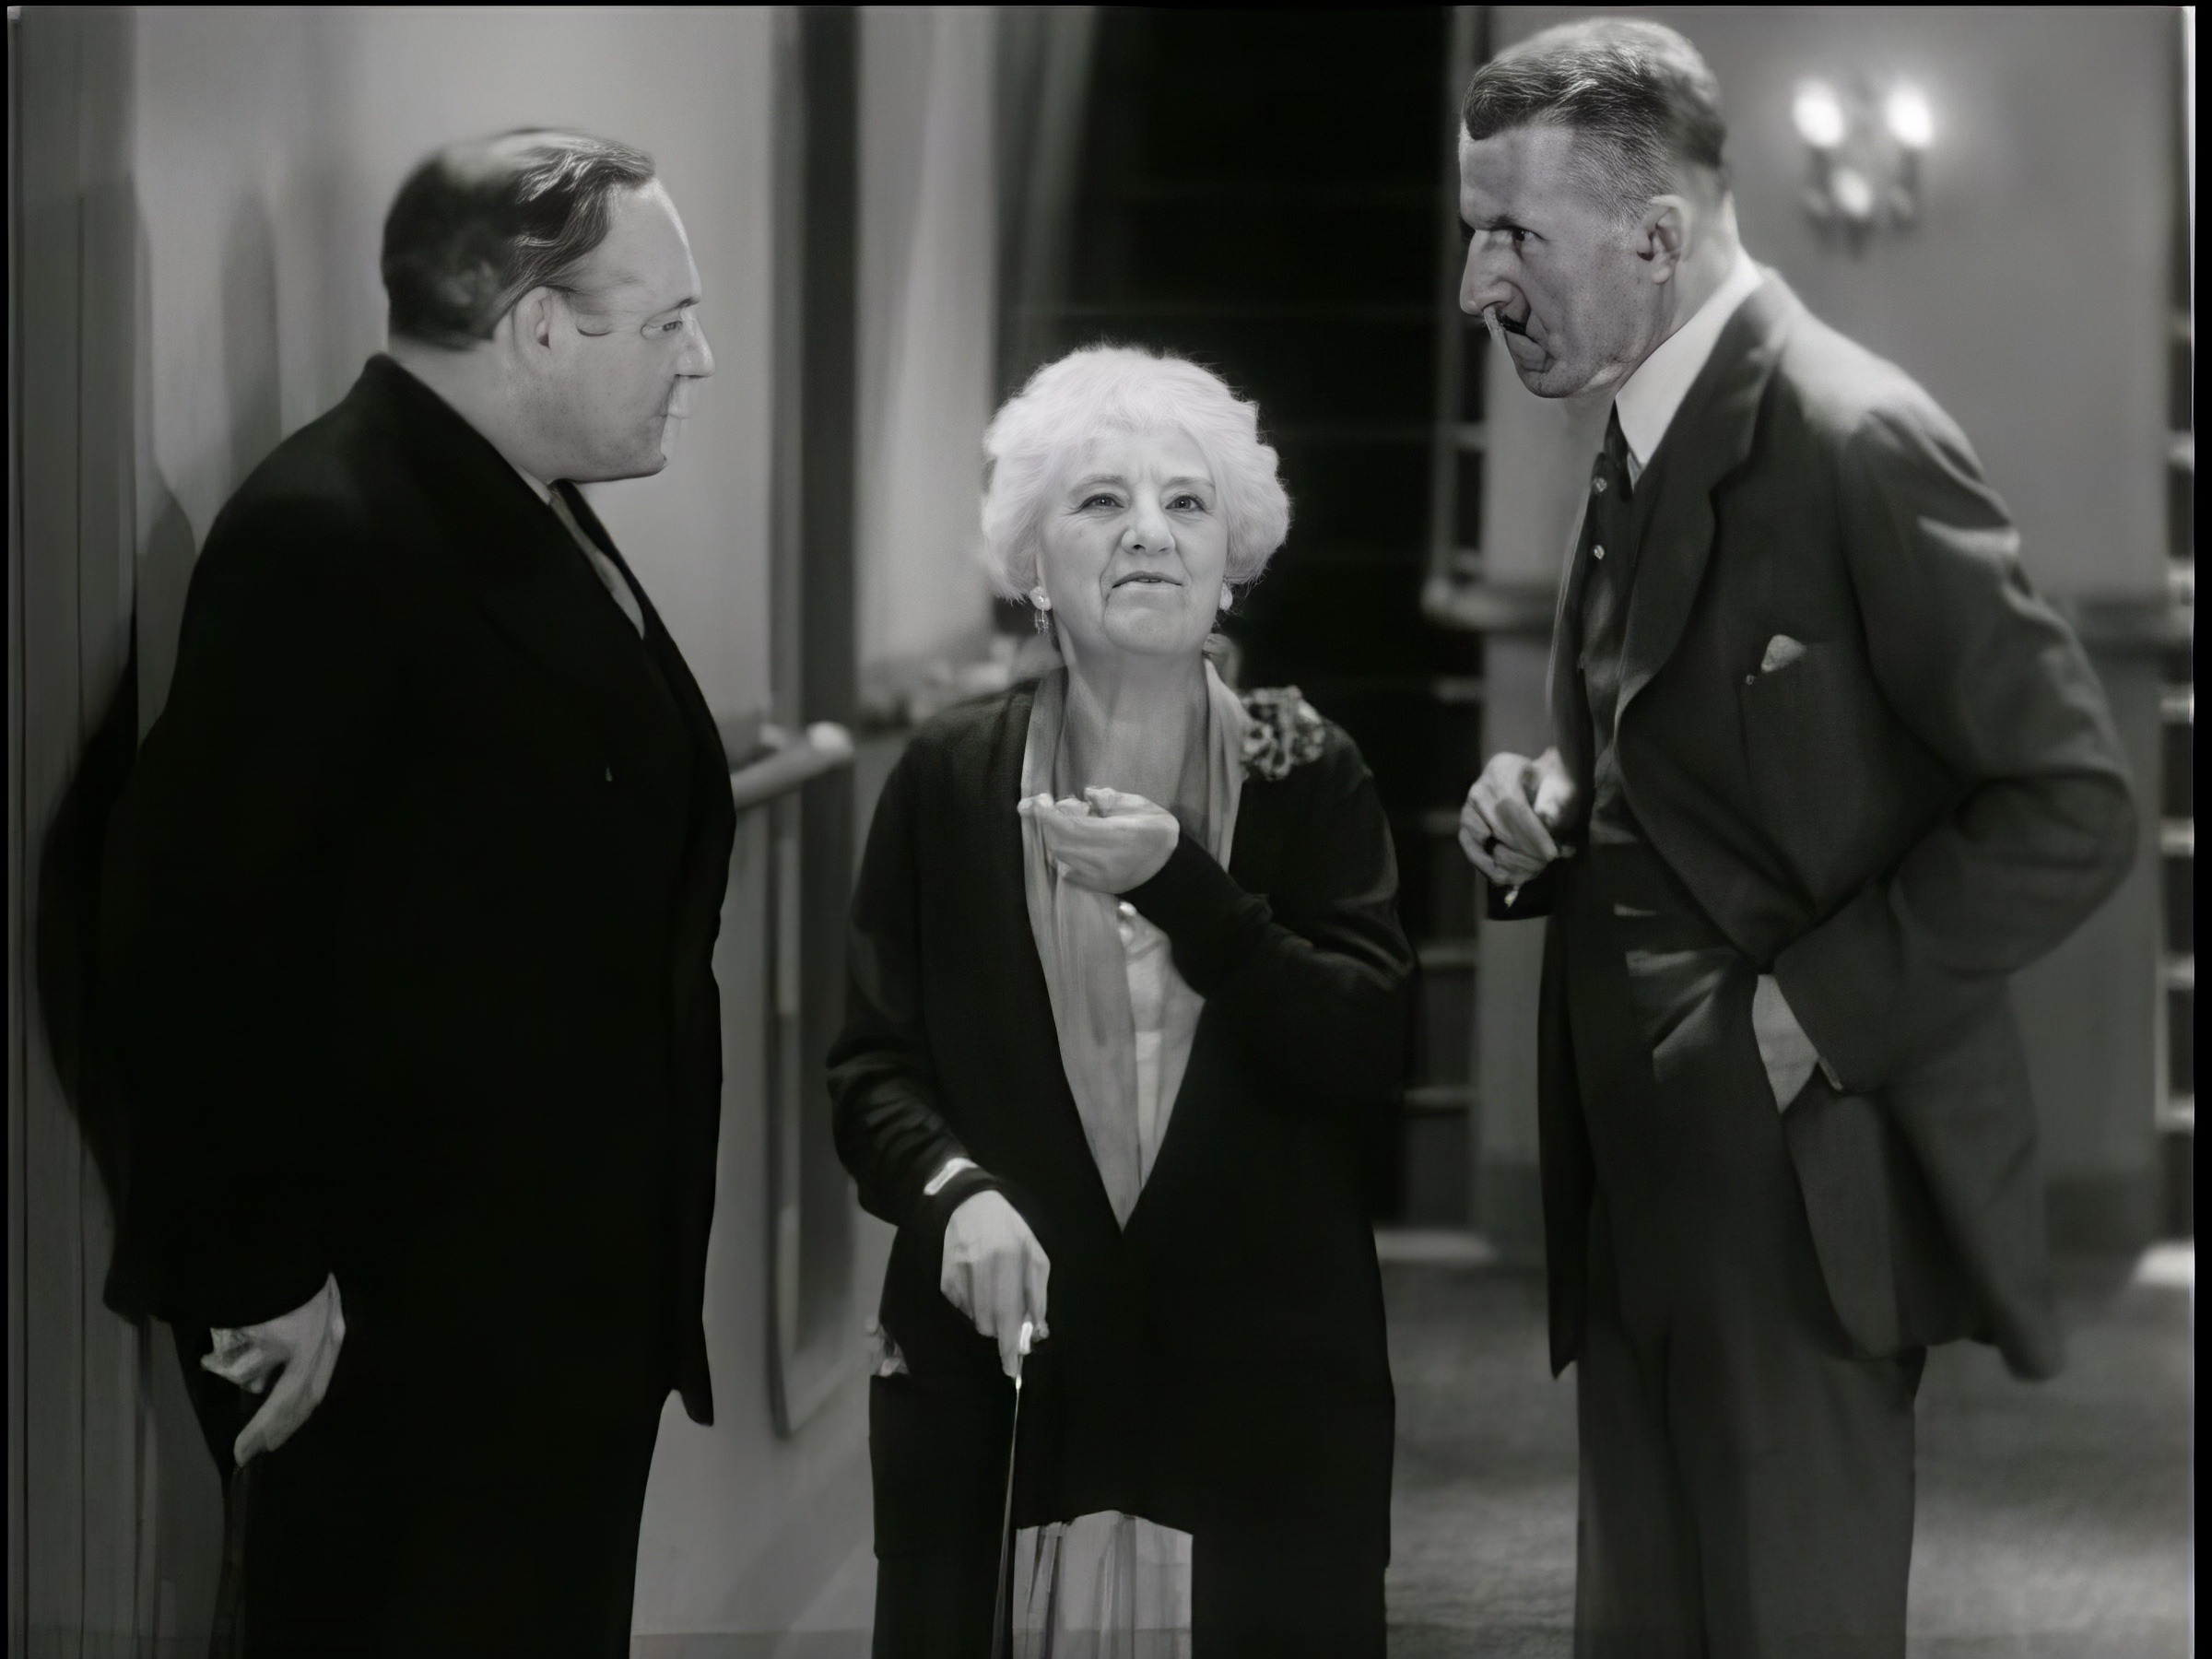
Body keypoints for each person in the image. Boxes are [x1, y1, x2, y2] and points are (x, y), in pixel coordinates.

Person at [1451, 20, 2138, 1657]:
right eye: (1475, 234)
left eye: (1515, 236)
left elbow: (2071, 802)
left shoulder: (1855, 437)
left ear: (1656, 236)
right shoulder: (1628, 429)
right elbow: (1684, 766)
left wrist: (1806, 1015)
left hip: (1795, 1194)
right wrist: (1552, 809)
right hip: (1636, 1191)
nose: (1480, 286)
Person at [97, 129, 733, 1655]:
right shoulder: (330, 532)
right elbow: (192, 934)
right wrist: (262, 1273)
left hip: (545, 1321)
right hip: (406, 1342)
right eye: (665, 322)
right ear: (536, 327)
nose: (697, 360)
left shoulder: (512, 493)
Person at [830, 347, 1414, 1657]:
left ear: (1231, 564)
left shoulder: (1308, 771)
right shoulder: (949, 780)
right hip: (1010, 1379)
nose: (1150, 531)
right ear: (1033, 565)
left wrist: (1182, 887)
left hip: (1259, 1382)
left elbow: (1363, 1045)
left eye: (1186, 503)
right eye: (1102, 501)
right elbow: (871, 1075)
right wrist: (955, 1193)